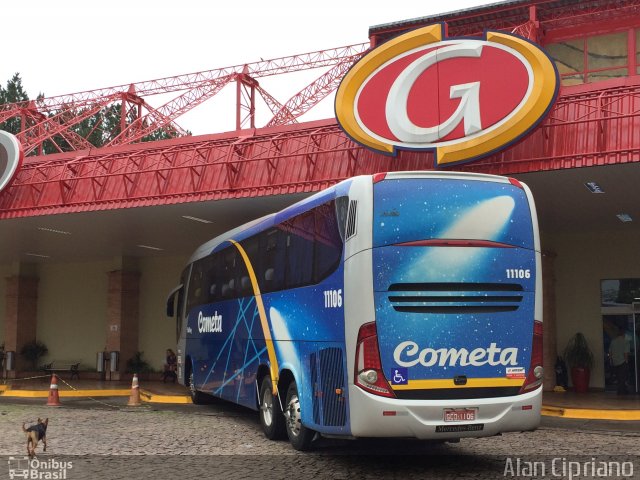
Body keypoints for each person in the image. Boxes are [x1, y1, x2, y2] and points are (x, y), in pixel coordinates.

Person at [609, 327, 630, 395]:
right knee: (623, 378)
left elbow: (610, 352)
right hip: (622, 362)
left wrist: (611, 360)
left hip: (615, 362)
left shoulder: (613, 341)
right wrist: (626, 361)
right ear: (623, 333)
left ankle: (620, 391)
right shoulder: (625, 341)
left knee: (618, 377)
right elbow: (625, 353)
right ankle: (621, 392)